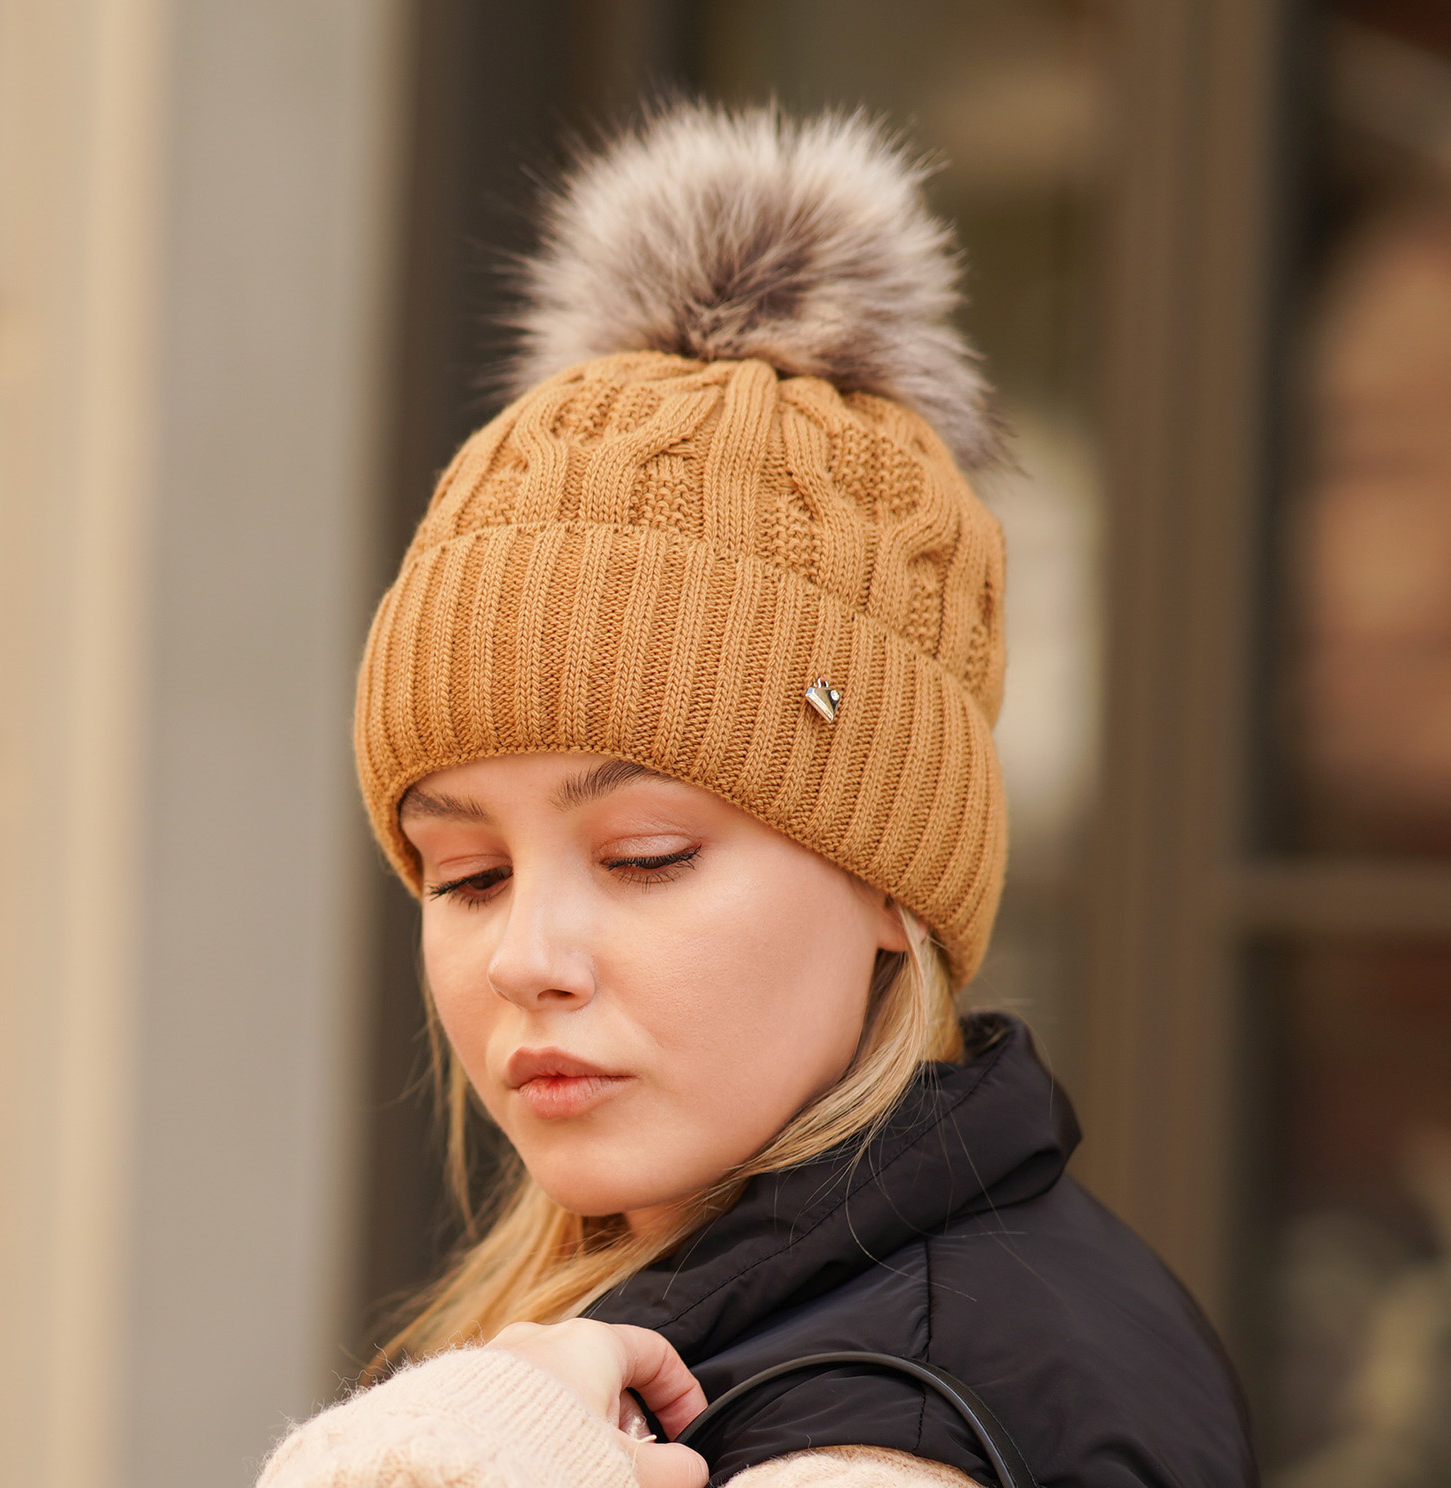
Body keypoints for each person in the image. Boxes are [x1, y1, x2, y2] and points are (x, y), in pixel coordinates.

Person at [257, 106, 1257, 1488]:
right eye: (464, 875)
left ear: (889, 882)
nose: (525, 959)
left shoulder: (875, 1430)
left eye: (649, 853)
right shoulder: (765, 1321)